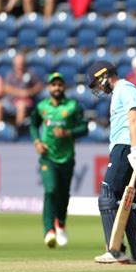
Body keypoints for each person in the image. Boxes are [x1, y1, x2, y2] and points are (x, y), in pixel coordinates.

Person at [86, 60, 136, 264]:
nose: (98, 87)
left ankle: (115, 251)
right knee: (127, 200)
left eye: (97, 82)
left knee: (107, 194)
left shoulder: (126, 88)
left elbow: (134, 118)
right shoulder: (119, 92)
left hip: (125, 147)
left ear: (105, 75)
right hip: (123, 147)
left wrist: (134, 149)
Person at [29, 72, 88, 248]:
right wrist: (37, 141)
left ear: (64, 87)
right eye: (53, 85)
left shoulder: (72, 106)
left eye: (59, 85)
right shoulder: (41, 107)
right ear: (49, 87)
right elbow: (33, 125)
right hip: (47, 158)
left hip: (67, 158)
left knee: (63, 195)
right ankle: (49, 231)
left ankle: (60, 223)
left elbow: (84, 128)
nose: (56, 88)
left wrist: (68, 133)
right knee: (51, 190)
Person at [3, 53, 43, 129]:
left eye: (21, 63)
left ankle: (19, 129)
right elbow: (6, 88)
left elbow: (39, 86)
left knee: (21, 105)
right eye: (17, 64)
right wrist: (19, 93)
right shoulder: (10, 74)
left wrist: (29, 92)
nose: (19, 66)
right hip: (11, 101)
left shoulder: (30, 73)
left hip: (26, 101)